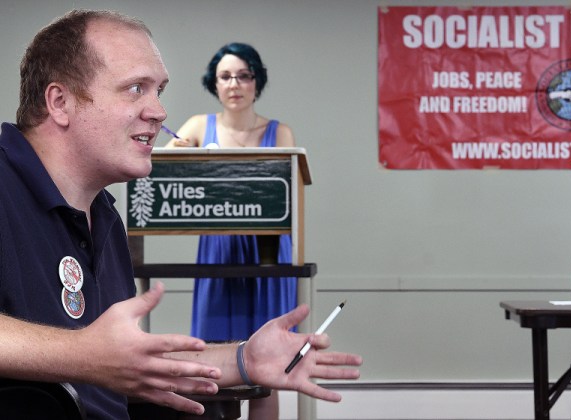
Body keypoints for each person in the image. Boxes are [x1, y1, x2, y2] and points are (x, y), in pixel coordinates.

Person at [0, 9, 361, 420]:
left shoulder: (104, 218)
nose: (159, 111)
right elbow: (94, 356)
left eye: (159, 91)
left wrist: (243, 360)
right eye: (136, 88)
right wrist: (81, 354)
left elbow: (123, 360)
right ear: (60, 102)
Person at [165, 42, 297, 419]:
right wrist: (181, 150)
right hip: (218, 252)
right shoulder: (196, 125)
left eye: (244, 75)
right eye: (225, 76)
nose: (234, 84)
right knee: (213, 358)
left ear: (257, 81)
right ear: (215, 83)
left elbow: (286, 190)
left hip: (267, 254)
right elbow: (161, 170)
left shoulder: (280, 132)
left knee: (266, 365)